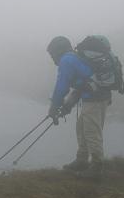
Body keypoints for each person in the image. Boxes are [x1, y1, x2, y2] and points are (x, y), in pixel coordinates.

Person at [46, 36, 111, 180]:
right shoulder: (73, 57)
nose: (52, 59)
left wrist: (53, 108)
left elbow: (61, 87)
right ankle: (82, 160)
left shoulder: (66, 60)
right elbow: (82, 84)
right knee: (81, 127)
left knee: (91, 131)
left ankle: (96, 167)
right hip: (98, 96)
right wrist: (68, 106)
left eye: (52, 54)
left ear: (58, 51)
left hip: (95, 99)